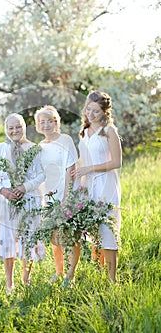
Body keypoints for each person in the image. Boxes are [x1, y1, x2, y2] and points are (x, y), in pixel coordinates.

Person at [0, 113, 45, 293]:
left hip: (28, 199)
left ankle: (25, 279)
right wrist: (3, 191)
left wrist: (25, 187)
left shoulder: (34, 148)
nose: (14, 131)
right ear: (6, 129)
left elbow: (41, 174)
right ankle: (9, 283)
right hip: (6, 201)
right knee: (8, 240)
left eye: (18, 126)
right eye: (11, 128)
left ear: (24, 127)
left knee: (28, 238)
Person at [72, 90, 122, 282]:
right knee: (94, 231)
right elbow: (82, 160)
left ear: (104, 112)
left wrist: (89, 169)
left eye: (95, 111)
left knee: (108, 230)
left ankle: (112, 280)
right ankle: (99, 270)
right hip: (89, 185)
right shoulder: (84, 132)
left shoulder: (109, 131)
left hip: (106, 185)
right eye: (88, 110)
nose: (90, 114)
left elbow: (117, 162)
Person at [34, 105, 80, 287]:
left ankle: (70, 275)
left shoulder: (65, 140)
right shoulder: (40, 146)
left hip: (66, 194)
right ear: (38, 125)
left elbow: (71, 168)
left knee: (70, 236)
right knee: (55, 238)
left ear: (56, 122)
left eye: (49, 121)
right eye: (41, 122)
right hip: (49, 196)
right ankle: (59, 272)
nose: (45, 125)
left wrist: (67, 197)